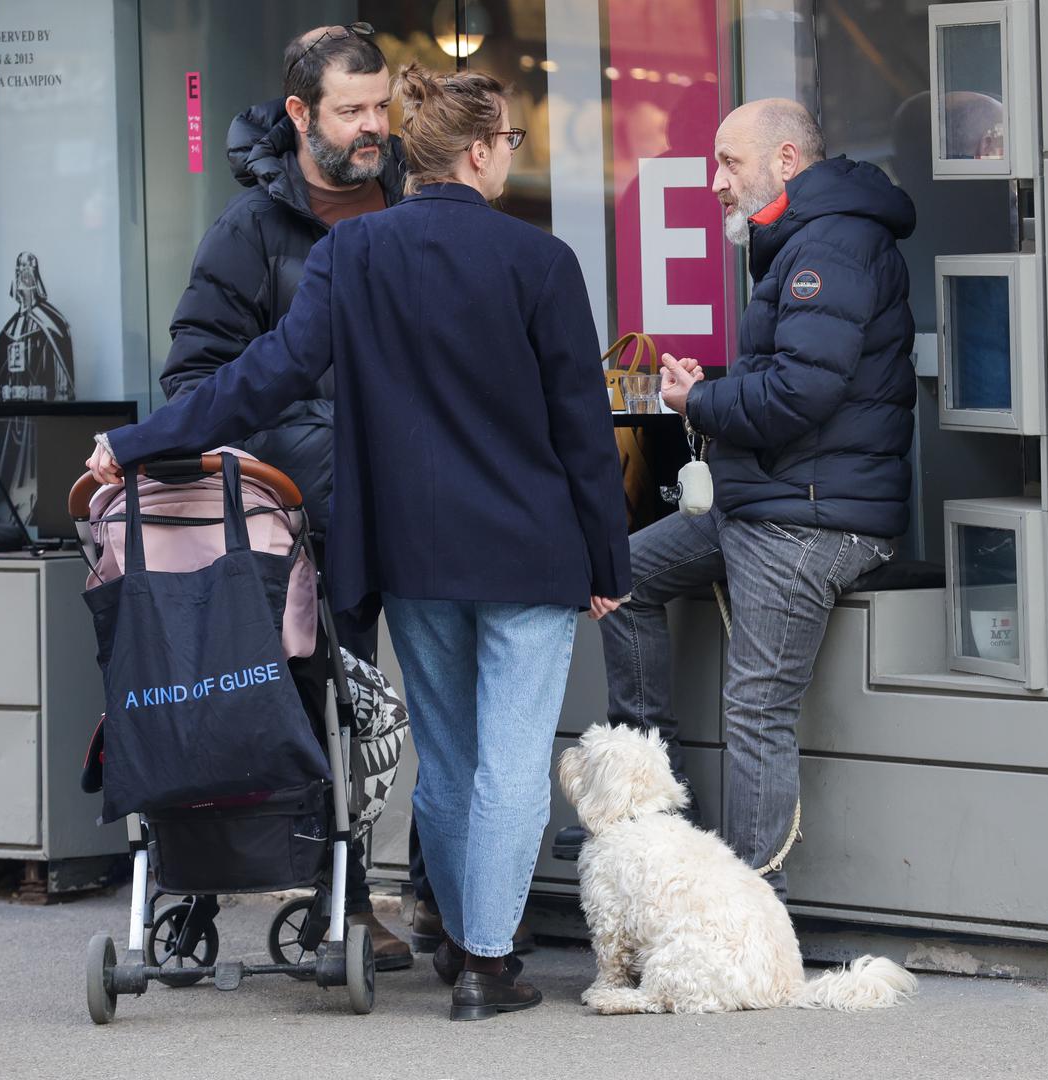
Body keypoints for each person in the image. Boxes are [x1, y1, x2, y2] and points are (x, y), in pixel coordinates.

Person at [89, 63, 630, 1021]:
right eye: (506, 142)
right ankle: (486, 965)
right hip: (529, 549)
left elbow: (259, 376)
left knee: (452, 760)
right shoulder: (539, 262)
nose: (509, 157)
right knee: (509, 760)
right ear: (473, 152)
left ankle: (469, 947)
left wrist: (135, 442)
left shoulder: (356, 254)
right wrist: (607, 562)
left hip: (413, 552)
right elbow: (581, 432)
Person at [579, 99, 916, 901]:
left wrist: (695, 407)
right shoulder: (810, 237)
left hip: (809, 517)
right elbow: (799, 380)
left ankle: (748, 903)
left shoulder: (827, 244)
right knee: (617, 582)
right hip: (770, 498)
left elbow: (801, 395)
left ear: (787, 161)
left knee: (756, 706)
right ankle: (661, 812)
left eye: (730, 163)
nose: (715, 182)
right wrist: (713, 390)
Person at [158, 23, 417, 966]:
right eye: (351, 110)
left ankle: (438, 898)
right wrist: (319, 450)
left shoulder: (409, 203)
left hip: (422, 504)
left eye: (381, 106)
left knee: (417, 704)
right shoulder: (252, 232)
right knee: (344, 706)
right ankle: (344, 903)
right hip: (319, 520)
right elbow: (194, 383)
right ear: (301, 114)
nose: (372, 126)